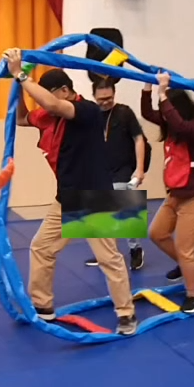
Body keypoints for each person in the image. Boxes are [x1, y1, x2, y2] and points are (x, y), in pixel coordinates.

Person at [7, 49, 137, 335]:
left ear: (65, 90)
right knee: (41, 248)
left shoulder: (87, 110)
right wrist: (18, 87)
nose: (44, 101)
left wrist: (21, 75)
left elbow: (53, 105)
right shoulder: (48, 115)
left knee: (109, 258)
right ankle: (43, 306)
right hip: (65, 196)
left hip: (94, 196)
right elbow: (22, 118)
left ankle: (126, 314)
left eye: (49, 94)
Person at [141, 72, 194, 314]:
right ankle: (187, 266)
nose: (164, 117)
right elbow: (147, 113)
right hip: (175, 194)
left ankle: (193, 297)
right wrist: (147, 86)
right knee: (157, 233)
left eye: (168, 110)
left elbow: (180, 125)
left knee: (185, 249)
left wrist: (163, 94)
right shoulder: (173, 126)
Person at [84, 76, 147, 271]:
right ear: (94, 97)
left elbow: (139, 139)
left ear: (114, 94)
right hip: (100, 170)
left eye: (109, 98)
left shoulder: (124, 112)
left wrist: (140, 168)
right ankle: (105, 252)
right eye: (101, 99)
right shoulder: (92, 115)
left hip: (123, 170)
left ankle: (135, 249)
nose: (105, 102)